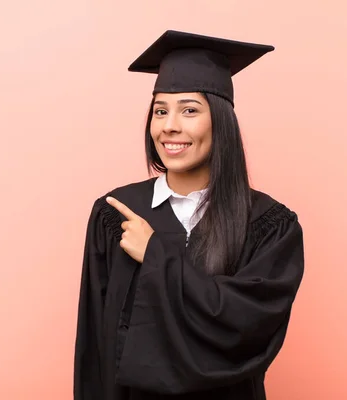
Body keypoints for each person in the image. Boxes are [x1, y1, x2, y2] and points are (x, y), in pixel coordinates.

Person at [73, 30, 305, 400]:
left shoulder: (268, 225)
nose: (169, 126)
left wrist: (155, 255)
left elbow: (248, 329)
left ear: (222, 122)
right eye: (161, 110)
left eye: (190, 110)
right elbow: (96, 346)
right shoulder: (116, 215)